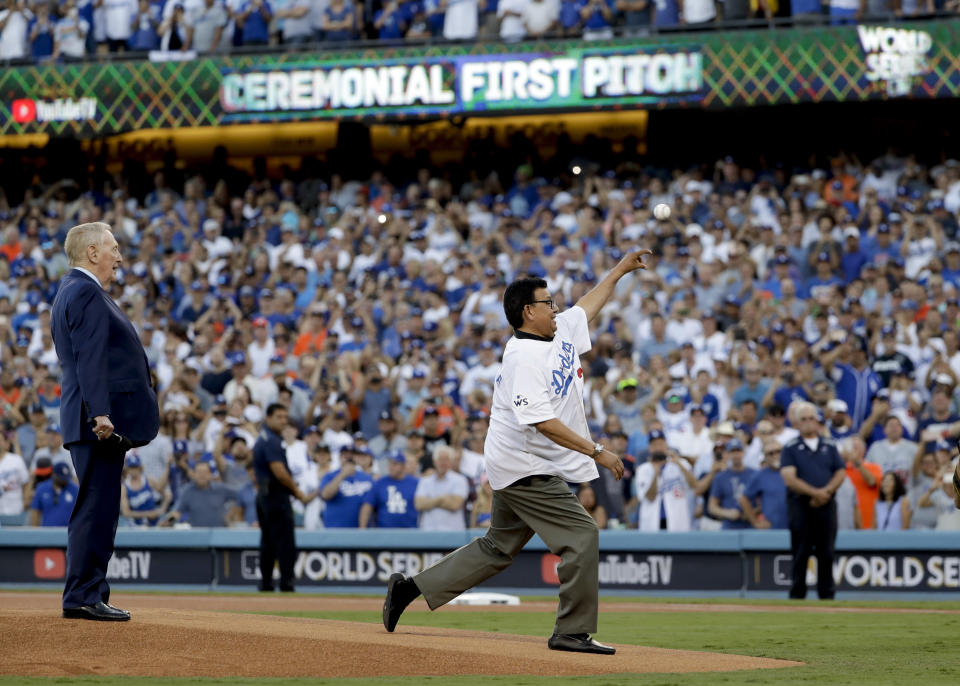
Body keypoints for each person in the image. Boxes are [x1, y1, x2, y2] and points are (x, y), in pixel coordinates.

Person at [383, 250, 651, 655]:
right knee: (582, 535)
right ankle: (571, 631)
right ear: (528, 312)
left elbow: (587, 306)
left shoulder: (557, 331)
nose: (556, 307)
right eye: (547, 302)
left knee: (497, 548)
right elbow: (541, 422)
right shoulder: (522, 357)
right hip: (525, 465)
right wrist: (598, 451)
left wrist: (619, 270)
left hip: (522, 462)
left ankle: (409, 589)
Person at [51, 222, 160, 622]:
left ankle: (87, 591)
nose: (119, 256)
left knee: (97, 506)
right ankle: (83, 594)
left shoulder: (70, 290)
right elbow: (90, 357)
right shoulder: (84, 291)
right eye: (113, 248)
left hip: (88, 419)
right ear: (92, 252)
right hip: (94, 421)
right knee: (97, 508)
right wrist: (101, 413)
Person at [780, 401, 847, 600]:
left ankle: (827, 595)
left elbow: (841, 471)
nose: (809, 423)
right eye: (804, 419)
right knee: (801, 552)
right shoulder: (790, 447)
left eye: (811, 418)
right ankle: (797, 594)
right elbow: (789, 477)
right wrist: (815, 493)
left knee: (826, 553)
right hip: (801, 505)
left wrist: (825, 492)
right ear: (797, 423)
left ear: (818, 421)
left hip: (826, 504)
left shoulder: (830, 445)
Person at [252, 403, 313, 591]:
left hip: (264, 495)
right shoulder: (271, 440)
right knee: (285, 542)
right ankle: (287, 583)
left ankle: (266, 583)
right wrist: (297, 491)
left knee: (268, 541)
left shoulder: (262, 438)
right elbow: (279, 471)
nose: (283, 421)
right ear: (268, 417)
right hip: (276, 497)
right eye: (279, 417)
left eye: (285, 417)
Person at [414, 445, 469, 530]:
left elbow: (455, 505)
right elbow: (419, 504)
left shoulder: (460, 480)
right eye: (440, 459)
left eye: (446, 459)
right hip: (428, 531)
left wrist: (429, 501)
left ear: (451, 461)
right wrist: (442, 499)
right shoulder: (425, 481)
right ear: (434, 461)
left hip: (453, 532)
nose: (443, 463)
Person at [359, 451, 419, 528]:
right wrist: (362, 529)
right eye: (390, 463)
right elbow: (367, 506)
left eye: (395, 464)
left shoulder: (416, 483)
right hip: (384, 533)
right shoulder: (380, 483)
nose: (391, 467)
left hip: (410, 532)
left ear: (403, 466)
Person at [28, 462, 78, 526]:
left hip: (68, 532)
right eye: (61, 478)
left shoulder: (75, 489)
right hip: (47, 532)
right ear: (54, 474)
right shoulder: (42, 488)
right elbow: (35, 512)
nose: (64, 480)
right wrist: (35, 532)